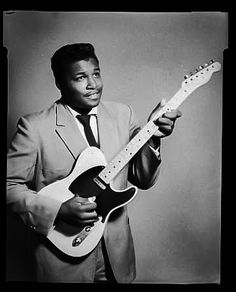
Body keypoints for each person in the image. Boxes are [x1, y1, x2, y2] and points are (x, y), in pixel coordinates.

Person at [6, 43, 182, 283]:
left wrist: (153, 138)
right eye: (80, 77)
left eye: (96, 74)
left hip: (116, 258)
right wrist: (59, 211)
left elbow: (144, 179)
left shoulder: (123, 115)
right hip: (62, 262)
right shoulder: (34, 127)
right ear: (59, 83)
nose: (93, 85)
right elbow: (9, 187)